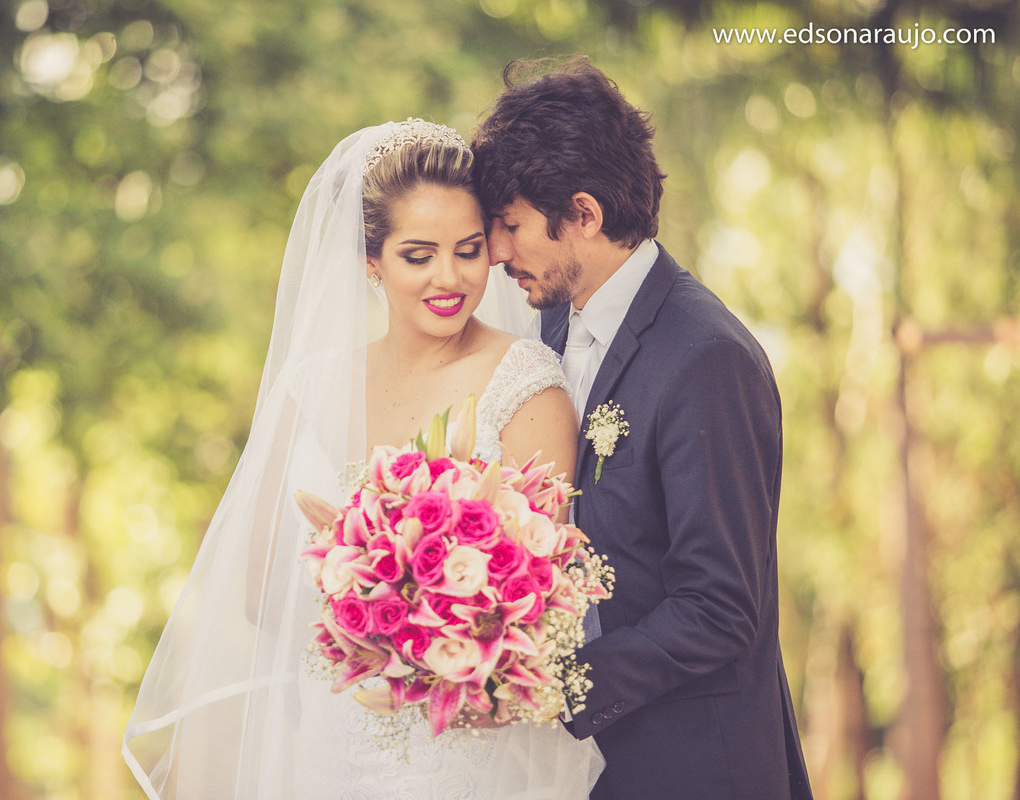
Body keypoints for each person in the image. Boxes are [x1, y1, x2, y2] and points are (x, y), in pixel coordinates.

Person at [123, 118, 604, 798]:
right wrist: (372, 616)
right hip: (330, 734)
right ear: (370, 261)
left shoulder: (526, 383)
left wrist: (435, 634)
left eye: (468, 251)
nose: (449, 277)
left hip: (467, 748)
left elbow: (545, 596)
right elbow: (260, 588)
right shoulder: (311, 386)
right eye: (418, 256)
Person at [472, 58, 814, 799]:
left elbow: (719, 608)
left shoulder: (708, 357)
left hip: (693, 767)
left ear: (584, 214)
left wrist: (551, 684)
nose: (497, 253)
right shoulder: (549, 327)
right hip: (584, 772)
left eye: (512, 226)